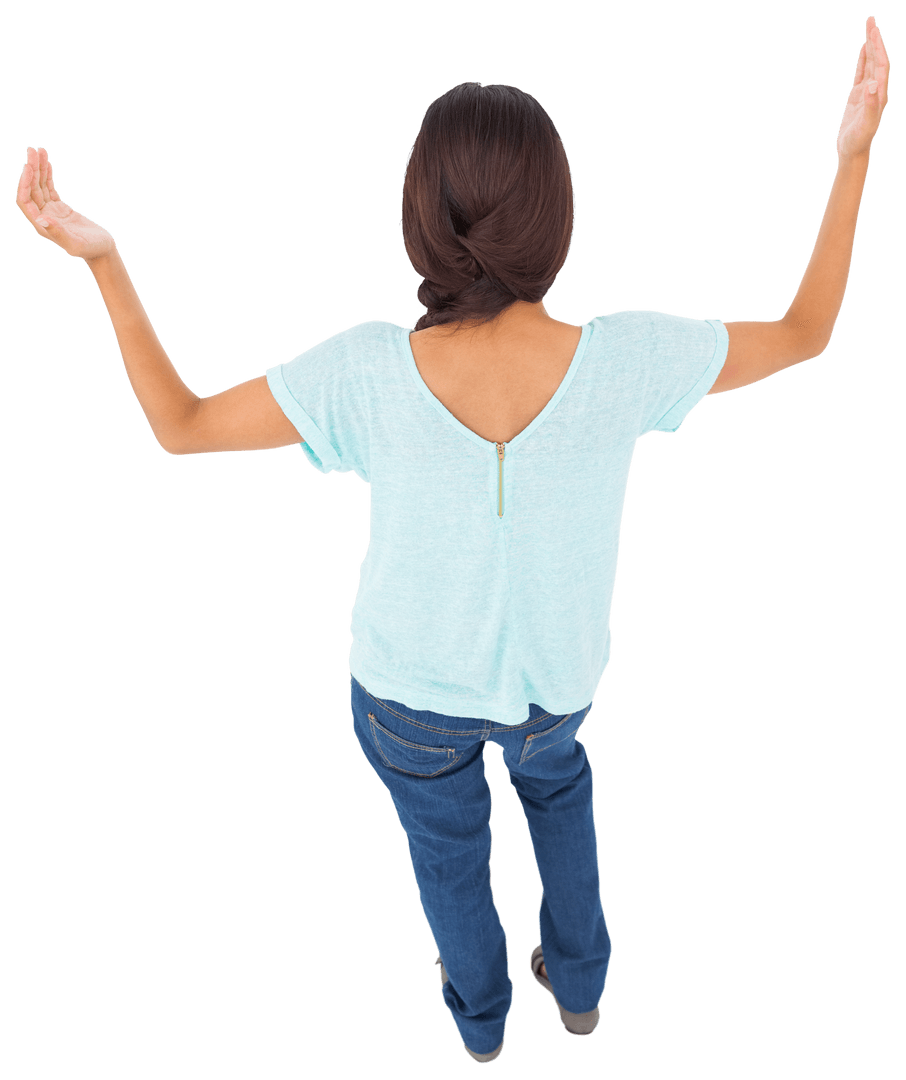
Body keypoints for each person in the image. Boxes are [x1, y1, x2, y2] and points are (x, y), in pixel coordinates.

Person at [14, 16, 890, 1064]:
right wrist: (855, 154)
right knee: (559, 787)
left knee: (446, 855)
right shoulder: (626, 360)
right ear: (559, 217)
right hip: (557, 687)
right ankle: (582, 993)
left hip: (407, 696)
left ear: (418, 223)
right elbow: (806, 330)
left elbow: (181, 426)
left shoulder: (366, 373)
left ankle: (480, 1029)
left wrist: (105, 261)